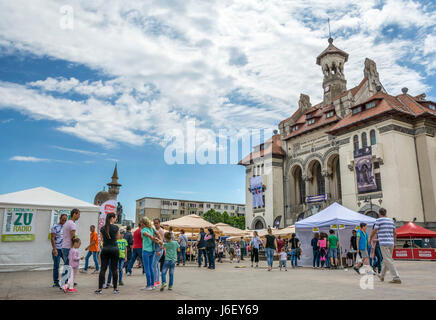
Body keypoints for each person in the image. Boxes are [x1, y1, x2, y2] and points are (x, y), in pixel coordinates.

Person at [370, 208, 401, 284]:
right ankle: (382, 276)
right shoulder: (391, 221)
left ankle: (396, 277)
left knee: (388, 260)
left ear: (379, 213)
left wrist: (370, 238)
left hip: (384, 243)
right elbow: (395, 233)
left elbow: (375, 230)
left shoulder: (378, 220)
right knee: (386, 260)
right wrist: (395, 242)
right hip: (391, 243)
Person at [95, 212, 120, 294]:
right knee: (114, 269)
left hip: (105, 249)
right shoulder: (116, 227)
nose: (115, 219)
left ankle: (99, 289)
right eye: (115, 218)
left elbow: (101, 239)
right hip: (114, 249)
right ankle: (115, 289)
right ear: (112, 218)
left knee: (103, 269)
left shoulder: (102, 228)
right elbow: (117, 238)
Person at [140, 217, 158, 290]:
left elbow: (146, 234)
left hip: (146, 251)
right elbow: (158, 234)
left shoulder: (143, 230)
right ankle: (153, 285)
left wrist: (150, 236)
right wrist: (159, 240)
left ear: (143, 223)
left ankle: (148, 285)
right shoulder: (152, 228)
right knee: (151, 268)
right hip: (152, 250)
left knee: (147, 268)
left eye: (141, 222)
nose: (140, 224)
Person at [50, 213, 68, 287]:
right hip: (57, 249)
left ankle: (66, 281)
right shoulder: (55, 227)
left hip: (64, 249)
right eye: (63, 219)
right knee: (56, 266)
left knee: (67, 265)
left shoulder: (66, 227)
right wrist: (54, 249)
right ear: (60, 218)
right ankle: (55, 282)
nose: (64, 221)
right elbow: (52, 238)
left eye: (65, 220)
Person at [152, 218, 165, 286]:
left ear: (159, 223)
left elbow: (161, 241)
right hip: (156, 249)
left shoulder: (161, 231)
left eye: (157, 223)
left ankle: (156, 281)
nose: (155, 224)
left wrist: (160, 250)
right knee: (155, 265)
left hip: (159, 249)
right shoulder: (155, 230)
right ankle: (156, 281)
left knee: (154, 265)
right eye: (154, 223)